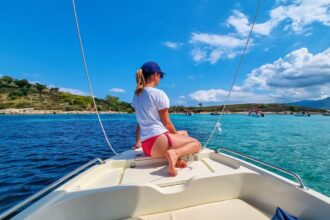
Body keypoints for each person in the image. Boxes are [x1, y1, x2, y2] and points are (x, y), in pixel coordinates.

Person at [132, 61, 201, 176]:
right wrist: (175, 137)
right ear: (155, 75)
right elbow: (167, 124)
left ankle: (176, 158)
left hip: (147, 147)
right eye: (161, 76)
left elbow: (140, 122)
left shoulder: (137, 95)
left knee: (184, 133)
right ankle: (175, 153)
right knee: (196, 144)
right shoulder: (158, 94)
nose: (161, 78)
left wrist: (138, 141)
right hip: (158, 142)